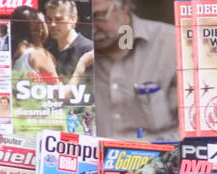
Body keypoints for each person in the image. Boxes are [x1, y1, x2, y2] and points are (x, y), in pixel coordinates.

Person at [92, 0, 179, 140]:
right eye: (81, 19)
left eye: (97, 16)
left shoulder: (174, 44)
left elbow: (195, 128)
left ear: (124, 5)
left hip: (158, 158)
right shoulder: (70, 53)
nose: (92, 28)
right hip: (92, 158)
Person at [44, 0, 95, 84]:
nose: (52, 24)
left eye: (58, 19)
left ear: (73, 19)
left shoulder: (89, 50)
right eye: (49, 19)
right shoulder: (49, 52)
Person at [11, 5, 58, 81]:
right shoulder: (38, 55)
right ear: (40, 28)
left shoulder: (13, 58)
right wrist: (79, 69)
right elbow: (59, 91)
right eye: (44, 22)